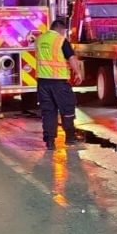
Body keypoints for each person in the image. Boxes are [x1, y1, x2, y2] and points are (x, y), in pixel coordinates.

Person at [36, 17, 84, 149]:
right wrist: (78, 73)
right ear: (61, 29)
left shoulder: (40, 39)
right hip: (59, 82)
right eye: (64, 31)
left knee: (48, 112)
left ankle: (50, 141)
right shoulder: (61, 40)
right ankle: (70, 138)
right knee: (67, 109)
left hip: (43, 82)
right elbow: (72, 58)